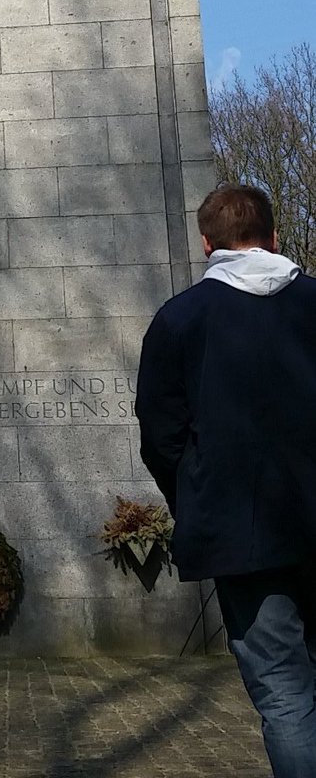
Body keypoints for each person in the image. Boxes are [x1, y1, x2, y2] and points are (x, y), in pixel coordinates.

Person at [136, 184, 316, 778]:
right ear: (274, 237)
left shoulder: (178, 320)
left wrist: (198, 498)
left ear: (207, 244)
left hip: (243, 536)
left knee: (285, 695)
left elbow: (160, 436)